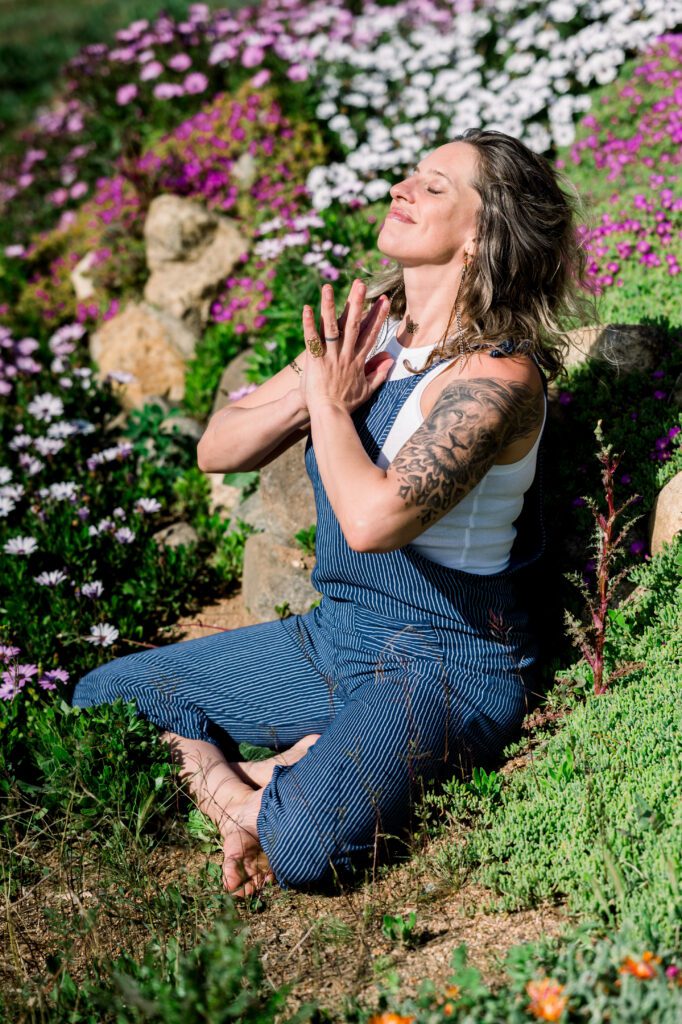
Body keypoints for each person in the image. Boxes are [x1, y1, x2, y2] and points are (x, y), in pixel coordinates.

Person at [72, 129, 588, 896]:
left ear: (482, 234)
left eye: (435, 186)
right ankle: (254, 787)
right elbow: (220, 445)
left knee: (308, 846)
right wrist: (320, 382)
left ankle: (288, 787)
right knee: (103, 698)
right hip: (334, 636)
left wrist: (326, 404)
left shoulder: (498, 378)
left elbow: (373, 522)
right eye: (408, 176)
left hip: (445, 665)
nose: (402, 190)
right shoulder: (368, 335)